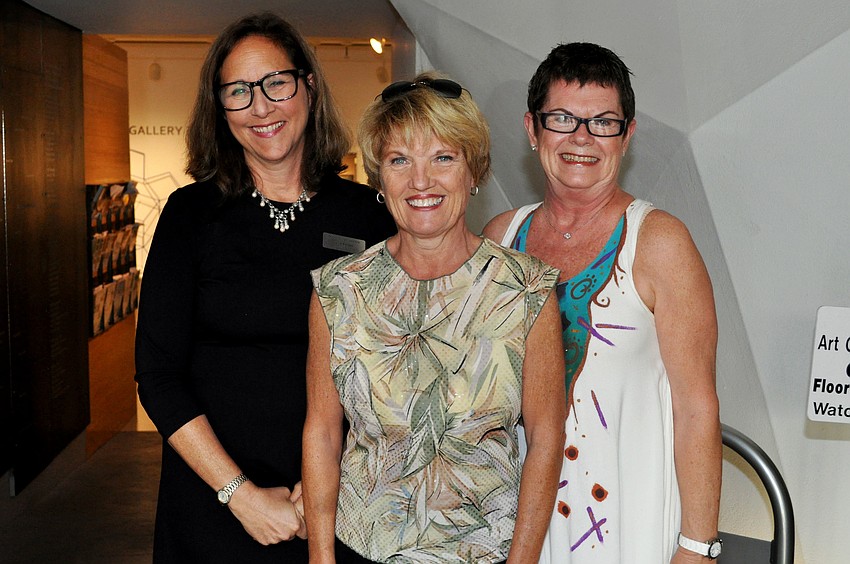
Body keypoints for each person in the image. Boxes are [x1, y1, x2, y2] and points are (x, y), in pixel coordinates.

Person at [134, 12, 396, 562]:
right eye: (238, 91)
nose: (260, 106)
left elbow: (391, 367)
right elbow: (158, 376)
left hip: (339, 504)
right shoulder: (191, 215)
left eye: (275, 82)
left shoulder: (367, 214)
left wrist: (333, 474)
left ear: (308, 85)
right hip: (212, 503)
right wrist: (241, 496)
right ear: (219, 106)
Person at [302, 72, 567, 563]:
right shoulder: (338, 290)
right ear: (380, 178)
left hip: (487, 553)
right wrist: (321, 557)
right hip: (363, 549)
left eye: (443, 157)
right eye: (400, 161)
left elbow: (547, 440)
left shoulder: (527, 291)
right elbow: (321, 430)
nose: (420, 181)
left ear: (475, 171)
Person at [483, 43, 722, 563]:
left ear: (627, 135)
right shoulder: (500, 238)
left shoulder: (659, 242)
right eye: (562, 119)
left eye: (603, 122)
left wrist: (698, 546)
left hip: (627, 526)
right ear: (532, 129)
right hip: (514, 529)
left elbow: (696, 406)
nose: (582, 139)